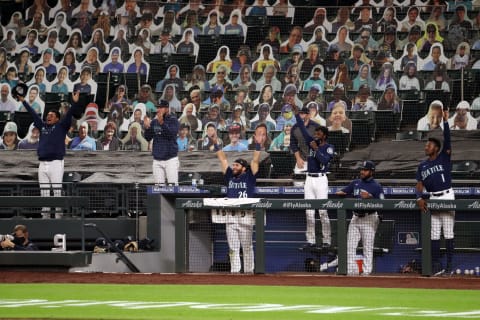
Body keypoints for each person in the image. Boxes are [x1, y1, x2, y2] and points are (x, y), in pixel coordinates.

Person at [18, 88, 82, 219]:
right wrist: (24, 101)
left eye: (52, 116)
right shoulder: (42, 126)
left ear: (58, 119)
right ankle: (45, 217)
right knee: (44, 192)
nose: (48, 117)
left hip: (56, 163)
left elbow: (69, 114)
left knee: (57, 191)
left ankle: (58, 217)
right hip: (42, 163)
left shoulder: (61, 126)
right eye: (48, 115)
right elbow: (33, 113)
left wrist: (74, 103)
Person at [211, 132, 262, 274]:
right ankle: (235, 272)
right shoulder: (229, 177)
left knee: (247, 247)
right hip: (231, 216)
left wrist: (258, 145)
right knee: (233, 247)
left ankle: (249, 271)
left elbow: (256, 160)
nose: (234, 167)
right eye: (233, 165)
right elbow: (223, 160)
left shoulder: (249, 177)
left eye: (237, 165)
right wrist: (215, 143)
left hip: (245, 216)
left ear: (243, 168)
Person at [415, 106, 455, 276]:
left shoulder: (444, 157)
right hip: (431, 197)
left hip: (446, 195)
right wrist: (419, 198)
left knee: (448, 233)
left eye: (429, 144)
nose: (426, 146)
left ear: (436, 148)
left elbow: (447, 140)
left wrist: (445, 121)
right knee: (433, 234)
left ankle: (450, 266)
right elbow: (419, 184)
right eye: (426, 144)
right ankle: (436, 265)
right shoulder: (422, 165)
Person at [294, 105, 335, 248]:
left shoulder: (328, 147)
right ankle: (310, 241)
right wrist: (296, 114)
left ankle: (326, 241)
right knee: (309, 211)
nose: (315, 135)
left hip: (321, 179)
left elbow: (324, 161)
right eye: (315, 133)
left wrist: (316, 149)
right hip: (309, 179)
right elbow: (302, 128)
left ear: (324, 135)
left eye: (318, 134)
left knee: (322, 211)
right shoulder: (311, 143)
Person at [336, 160, 384, 276]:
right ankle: (352, 270)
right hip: (355, 217)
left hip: (369, 218)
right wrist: (341, 193)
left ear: (371, 172)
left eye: (365, 170)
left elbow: (383, 203)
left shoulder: (376, 186)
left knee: (367, 247)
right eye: (362, 169)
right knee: (350, 245)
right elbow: (345, 191)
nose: (362, 172)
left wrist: (370, 198)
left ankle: (366, 272)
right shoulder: (355, 183)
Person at [143, 99, 180, 186]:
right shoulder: (154, 122)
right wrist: (147, 128)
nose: (158, 110)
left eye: (161, 107)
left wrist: (162, 123)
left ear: (167, 109)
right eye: (158, 107)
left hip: (170, 159)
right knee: (159, 189)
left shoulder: (173, 120)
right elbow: (148, 137)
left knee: (173, 187)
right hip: (157, 159)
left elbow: (171, 134)